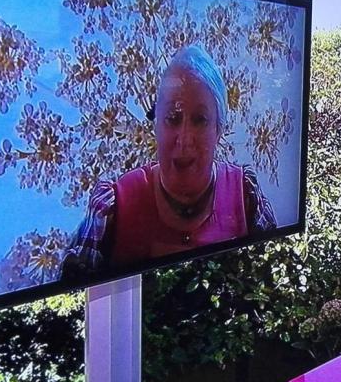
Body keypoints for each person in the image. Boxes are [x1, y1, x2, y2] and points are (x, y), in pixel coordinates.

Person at [63, 45, 276, 276]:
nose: (184, 140)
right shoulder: (113, 206)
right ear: (156, 126)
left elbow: (271, 278)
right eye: (172, 118)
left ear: (219, 129)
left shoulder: (246, 194)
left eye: (200, 120)